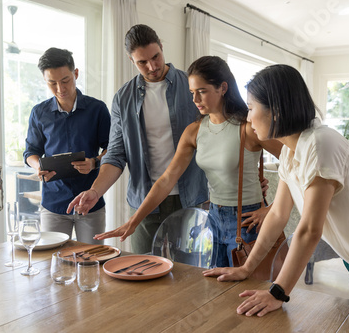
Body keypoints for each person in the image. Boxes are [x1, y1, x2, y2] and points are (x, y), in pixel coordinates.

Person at [203, 64, 349, 316]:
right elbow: (278, 215)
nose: (248, 118)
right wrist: (246, 268)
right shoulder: (291, 154)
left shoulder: (322, 144)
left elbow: (311, 229)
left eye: (251, 108)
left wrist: (278, 292)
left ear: (276, 111)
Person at [91, 56, 283, 267]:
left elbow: (295, 165)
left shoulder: (248, 127)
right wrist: (133, 221)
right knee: (214, 292)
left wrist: (271, 209)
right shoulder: (194, 131)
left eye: (201, 91)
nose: (195, 100)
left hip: (247, 221)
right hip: (212, 218)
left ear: (223, 88)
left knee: (248, 292)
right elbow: (166, 180)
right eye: (192, 92)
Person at [67, 25, 208, 254]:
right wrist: (95, 191)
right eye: (143, 62)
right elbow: (115, 155)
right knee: (142, 272)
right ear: (131, 60)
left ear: (162, 46)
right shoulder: (123, 98)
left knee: (188, 276)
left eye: (156, 57)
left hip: (190, 196)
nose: (152, 67)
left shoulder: (190, 86)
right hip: (144, 201)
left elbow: (215, 137)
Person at [24, 47, 110, 244]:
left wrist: (95, 162)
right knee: (52, 264)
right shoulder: (39, 113)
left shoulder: (97, 109)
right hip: (53, 204)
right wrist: (39, 167)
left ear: (76, 74)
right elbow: (31, 152)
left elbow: (113, 150)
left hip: (90, 203)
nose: (60, 89)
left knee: (91, 263)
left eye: (65, 81)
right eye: (52, 83)